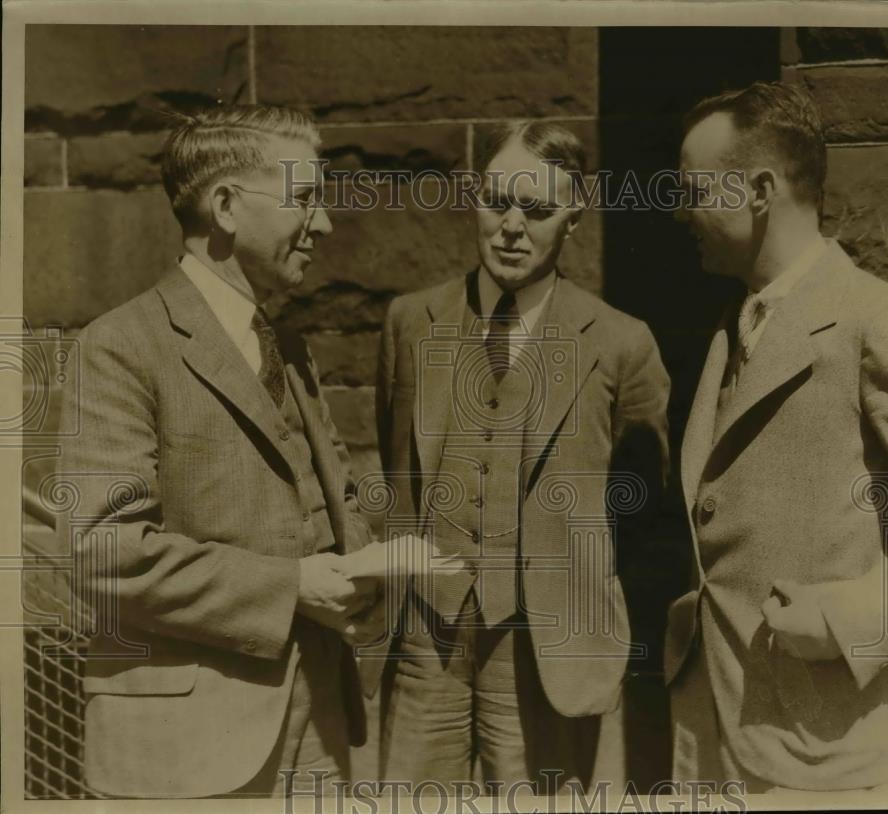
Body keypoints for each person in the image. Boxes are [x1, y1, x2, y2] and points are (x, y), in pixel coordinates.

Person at [57, 105, 383, 798]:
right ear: (227, 207)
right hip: (188, 751)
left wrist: (365, 564)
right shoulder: (120, 346)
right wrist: (292, 586)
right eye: (304, 199)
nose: (322, 224)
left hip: (320, 721)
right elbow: (102, 551)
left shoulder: (289, 349)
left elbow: (333, 499)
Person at [666, 81, 888, 792]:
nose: (680, 213)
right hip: (711, 732)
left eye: (693, 191)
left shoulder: (882, 325)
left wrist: (849, 619)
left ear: (759, 190)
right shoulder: (730, 328)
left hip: (824, 757)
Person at [372, 121, 670, 790]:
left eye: (535, 210)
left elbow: (644, 515)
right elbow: (398, 475)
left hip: (545, 646)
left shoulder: (622, 343)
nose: (510, 226)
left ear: (574, 219)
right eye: (496, 201)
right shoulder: (409, 321)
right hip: (428, 634)